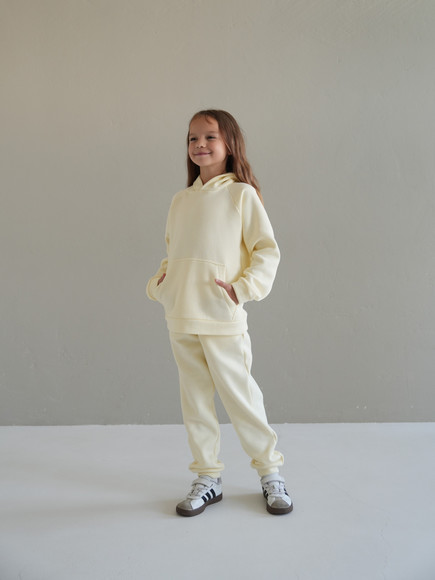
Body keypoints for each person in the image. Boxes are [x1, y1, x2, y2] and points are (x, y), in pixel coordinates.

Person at [147, 109, 293, 517]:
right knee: (195, 402)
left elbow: (266, 251)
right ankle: (207, 476)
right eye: (192, 138)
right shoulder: (181, 201)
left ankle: (270, 473)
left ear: (229, 144)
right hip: (181, 315)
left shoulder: (241, 195)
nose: (200, 144)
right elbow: (174, 253)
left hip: (221, 315)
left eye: (210, 137)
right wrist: (161, 285)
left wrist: (241, 290)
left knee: (242, 398)